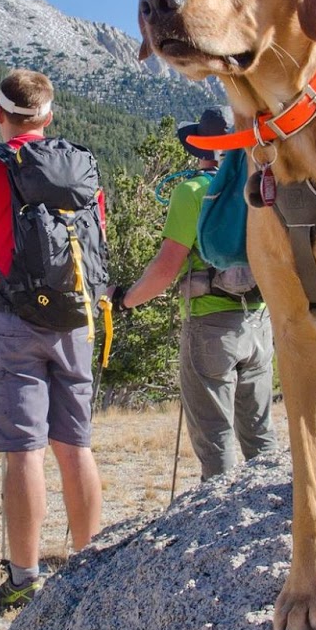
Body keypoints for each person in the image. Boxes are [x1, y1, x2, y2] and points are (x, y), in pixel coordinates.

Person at [0, 69, 104, 612]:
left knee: (23, 451)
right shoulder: (81, 167)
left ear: (0, 114)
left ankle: (25, 578)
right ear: (47, 117)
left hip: (10, 320)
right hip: (76, 320)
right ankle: (90, 566)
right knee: (75, 446)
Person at [111, 106, 275, 480]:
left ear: (197, 149)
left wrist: (125, 299)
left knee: (216, 440)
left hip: (210, 327)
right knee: (261, 436)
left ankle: (219, 529)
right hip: (259, 322)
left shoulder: (191, 192)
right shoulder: (254, 184)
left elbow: (165, 268)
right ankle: (275, 517)